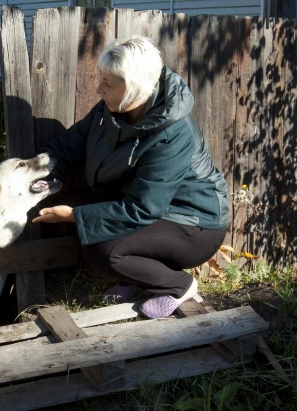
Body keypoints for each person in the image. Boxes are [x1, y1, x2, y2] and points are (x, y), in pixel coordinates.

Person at [32, 36, 229, 319]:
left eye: (108, 84)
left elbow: (145, 207)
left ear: (136, 88)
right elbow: (69, 146)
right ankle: (137, 278)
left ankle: (178, 285)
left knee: (103, 250)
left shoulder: (172, 134)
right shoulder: (109, 111)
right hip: (145, 203)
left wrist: (75, 215)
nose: (99, 90)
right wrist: (41, 175)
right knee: (70, 202)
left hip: (194, 224)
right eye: (101, 80)